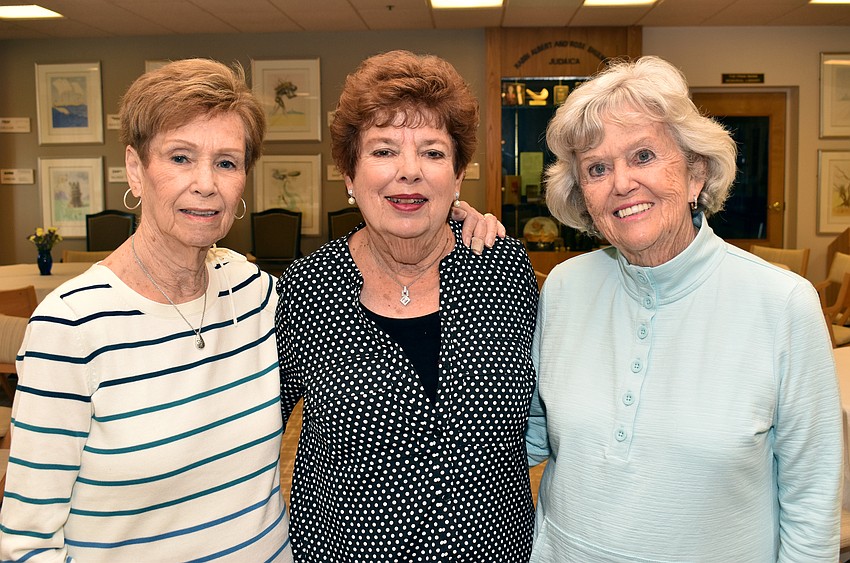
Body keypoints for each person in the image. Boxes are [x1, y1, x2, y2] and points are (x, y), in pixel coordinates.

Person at [0, 57, 501, 561]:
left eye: (226, 162)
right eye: (179, 158)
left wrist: (447, 210)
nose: (205, 183)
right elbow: (27, 539)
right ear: (135, 167)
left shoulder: (255, 294)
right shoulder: (68, 326)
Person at [526, 55, 843, 562]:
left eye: (644, 155)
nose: (621, 183)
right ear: (583, 197)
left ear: (696, 172)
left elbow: (811, 499)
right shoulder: (564, 288)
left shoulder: (783, 305)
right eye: (597, 168)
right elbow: (526, 435)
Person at [276, 50, 538, 561]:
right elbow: (255, 434)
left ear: (458, 177)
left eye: (434, 153)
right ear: (349, 176)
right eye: (383, 150)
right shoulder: (306, 289)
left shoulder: (504, 270)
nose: (410, 172)